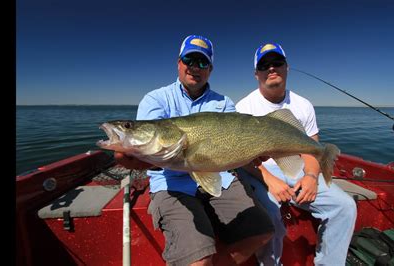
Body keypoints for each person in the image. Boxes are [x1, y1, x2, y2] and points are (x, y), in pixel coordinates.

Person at [114, 35, 274, 266]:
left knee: (262, 231)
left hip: (220, 179)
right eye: (189, 60)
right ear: (179, 63)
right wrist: (132, 150)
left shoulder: (224, 103)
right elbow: (152, 150)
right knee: (198, 261)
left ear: (210, 69)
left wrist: (255, 152)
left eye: (202, 62)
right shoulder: (156, 99)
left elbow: (235, 148)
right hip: (172, 184)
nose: (195, 67)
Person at [235, 42, 357, 266]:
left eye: (277, 63)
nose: (271, 68)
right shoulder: (243, 107)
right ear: (256, 74)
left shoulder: (303, 105)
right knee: (269, 214)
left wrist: (311, 177)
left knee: (345, 206)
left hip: (297, 165)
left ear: (286, 67)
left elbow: (312, 148)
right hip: (259, 170)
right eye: (264, 65)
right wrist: (270, 181)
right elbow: (242, 158)